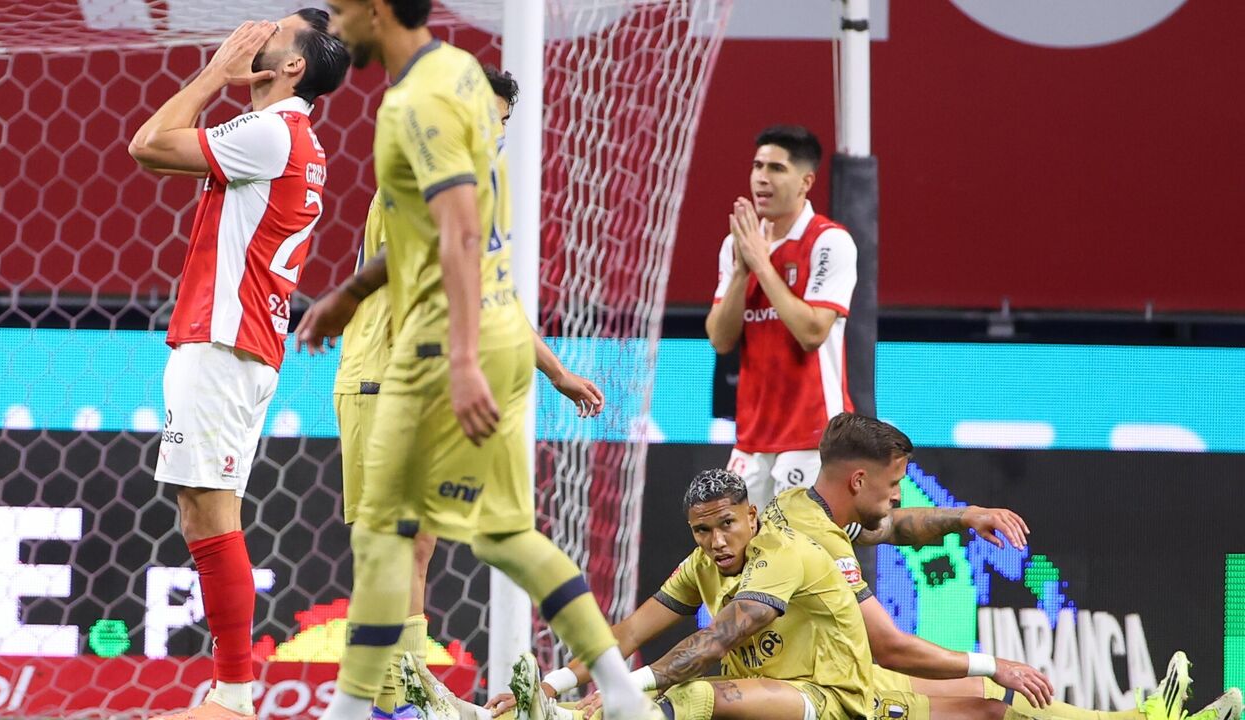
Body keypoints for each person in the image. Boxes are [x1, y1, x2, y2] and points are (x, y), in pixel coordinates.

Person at [305, 2, 656, 718]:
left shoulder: (424, 107)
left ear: (377, 12)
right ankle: (618, 691)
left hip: (412, 364)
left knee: (389, 544)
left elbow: (453, 242)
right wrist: (549, 371)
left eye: (342, 12)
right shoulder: (465, 129)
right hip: (475, 353)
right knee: (491, 535)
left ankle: (378, 702)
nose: (334, 27)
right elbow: (453, 258)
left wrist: (456, 358)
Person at [127, 11, 350, 720]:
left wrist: (213, 75)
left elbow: (147, 145)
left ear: (292, 68)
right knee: (202, 512)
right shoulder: (293, 137)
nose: (251, 37)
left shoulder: (271, 131)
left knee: (211, 513)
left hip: (224, 343)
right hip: (238, 343)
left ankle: (232, 697)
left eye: (270, 35)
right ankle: (230, 693)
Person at [486, 469, 1035, 720]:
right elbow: (626, 633)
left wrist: (621, 692)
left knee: (695, 697)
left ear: (752, 515)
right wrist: (552, 682)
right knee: (990, 709)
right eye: (702, 531)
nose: (716, 541)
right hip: (775, 695)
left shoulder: (782, 552)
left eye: (726, 524)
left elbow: (713, 642)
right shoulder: (702, 563)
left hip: (830, 698)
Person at [763, 413, 1210, 720]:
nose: (898, 495)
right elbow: (890, 646)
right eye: (893, 483)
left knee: (991, 697)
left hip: (840, 671)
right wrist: (991, 662)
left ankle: (1146, 717)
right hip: (826, 694)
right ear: (858, 480)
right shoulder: (821, 543)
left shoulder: (801, 503)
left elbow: (892, 526)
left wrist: (966, 516)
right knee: (992, 706)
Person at [705, 125, 857, 510]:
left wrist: (762, 264)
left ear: (806, 181)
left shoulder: (828, 241)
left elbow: (811, 331)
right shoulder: (736, 243)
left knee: (801, 562)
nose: (761, 177)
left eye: (775, 168)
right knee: (735, 557)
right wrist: (742, 272)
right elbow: (721, 339)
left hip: (814, 436)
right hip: (752, 437)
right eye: (757, 166)